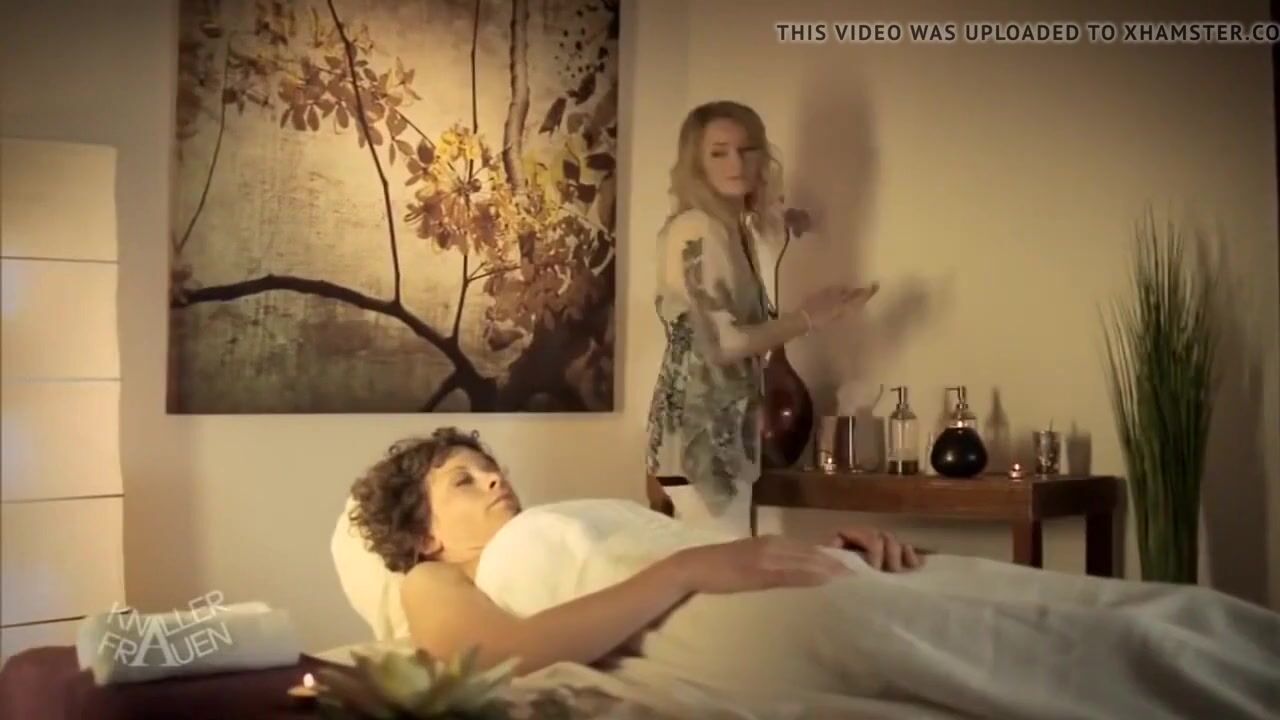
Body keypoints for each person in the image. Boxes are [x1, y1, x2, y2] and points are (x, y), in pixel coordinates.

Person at [347, 427, 1280, 720]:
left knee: (1084, 605)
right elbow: (497, 658)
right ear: (423, 534)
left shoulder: (565, 518)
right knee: (1051, 651)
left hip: (754, 577)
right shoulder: (435, 578)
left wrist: (842, 543)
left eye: (489, 465)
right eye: (462, 480)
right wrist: (692, 570)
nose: (494, 479)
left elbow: (663, 551)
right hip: (712, 611)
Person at [644, 100, 879, 537]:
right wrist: (808, 318)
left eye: (747, 149)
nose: (736, 163)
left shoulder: (730, 229)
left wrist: (781, 218)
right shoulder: (698, 230)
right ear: (697, 163)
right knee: (724, 570)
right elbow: (722, 344)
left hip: (719, 441)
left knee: (730, 566)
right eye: (718, 153)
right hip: (701, 445)